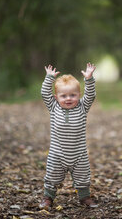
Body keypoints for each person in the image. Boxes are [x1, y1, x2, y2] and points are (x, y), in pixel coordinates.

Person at [39, 63, 98, 209]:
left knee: (83, 176)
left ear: (79, 95)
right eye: (63, 95)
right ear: (56, 97)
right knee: (52, 176)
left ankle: (85, 197)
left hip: (79, 154)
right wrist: (49, 78)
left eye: (73, 95)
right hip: (57, 154)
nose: (68, 98)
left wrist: (89, 79)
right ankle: (48, 197)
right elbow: (44, 93)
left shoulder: (82, 107)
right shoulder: (54, 107)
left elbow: (91, 95)